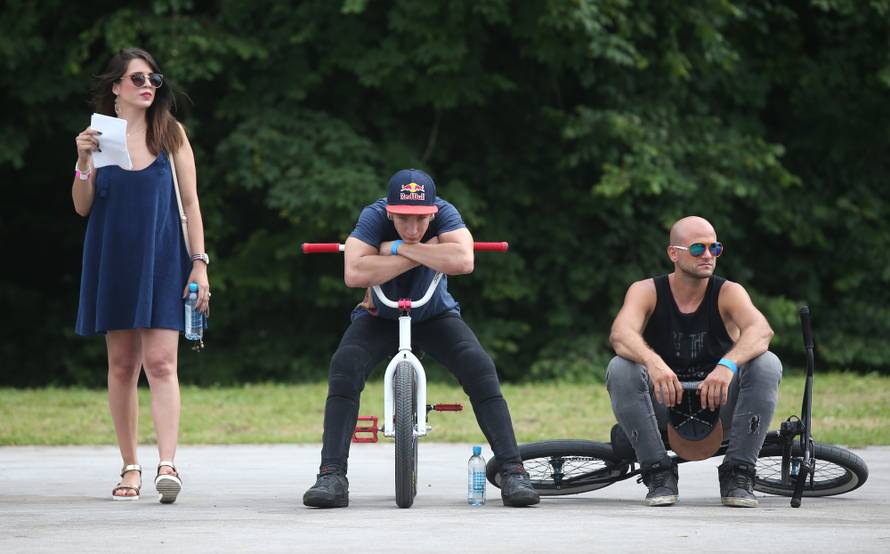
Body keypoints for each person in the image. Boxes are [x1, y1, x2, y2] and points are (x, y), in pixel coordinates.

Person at [302, 168, 539, 508]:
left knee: (480, 367)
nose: (413, 229)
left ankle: (513, 471)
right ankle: (331, 475)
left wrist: (394, 249)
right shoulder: (373, 215)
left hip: (434, 315)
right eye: (402, 221)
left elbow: (463, 260)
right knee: (344, 366)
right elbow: (354, 272)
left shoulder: (446, 212)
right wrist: (423, 251)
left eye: (421, 221)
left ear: (432, 211)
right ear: (390, 212)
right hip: (379, 316)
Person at [72, 48, 210, 503]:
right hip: (114, 258)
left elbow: (190, 204)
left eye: (153, 78)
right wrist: (83, 160)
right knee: (122, 364)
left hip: (164, 257)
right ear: (116, 87)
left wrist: (200, 264)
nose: (149, 85)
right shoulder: (98, 137)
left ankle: (167, 464)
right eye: (137, 79)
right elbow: (82, 205)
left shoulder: (170, 133)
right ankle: (130, 466)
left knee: (162, 362)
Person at [606, 216, 782, 508]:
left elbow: (761, 331)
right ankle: (658, 473)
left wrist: (727, 366)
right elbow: (620, 334)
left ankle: (738, 473)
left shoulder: (728, 292)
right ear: (674, 253)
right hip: (664, 405)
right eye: (698, 248)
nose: (708, 255)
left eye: (715, 248)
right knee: (620, 367)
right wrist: (653, 362)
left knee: (767, 363)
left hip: (719, 404)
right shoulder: (646, 291)